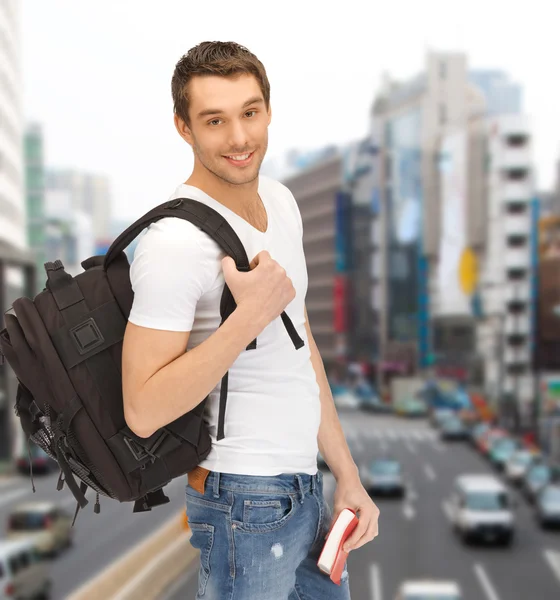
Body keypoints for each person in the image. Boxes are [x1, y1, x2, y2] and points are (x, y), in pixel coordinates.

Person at [121, 41, 379, 599]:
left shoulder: (282, 203)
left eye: (250, 112)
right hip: (240, 498)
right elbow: (142, 409)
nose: (239, 138)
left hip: (306, 490)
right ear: (184, 128)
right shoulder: (174, 243)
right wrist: (247, 318)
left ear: (267, 110)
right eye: (215, 120)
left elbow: (300, 349)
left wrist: (347, 473)